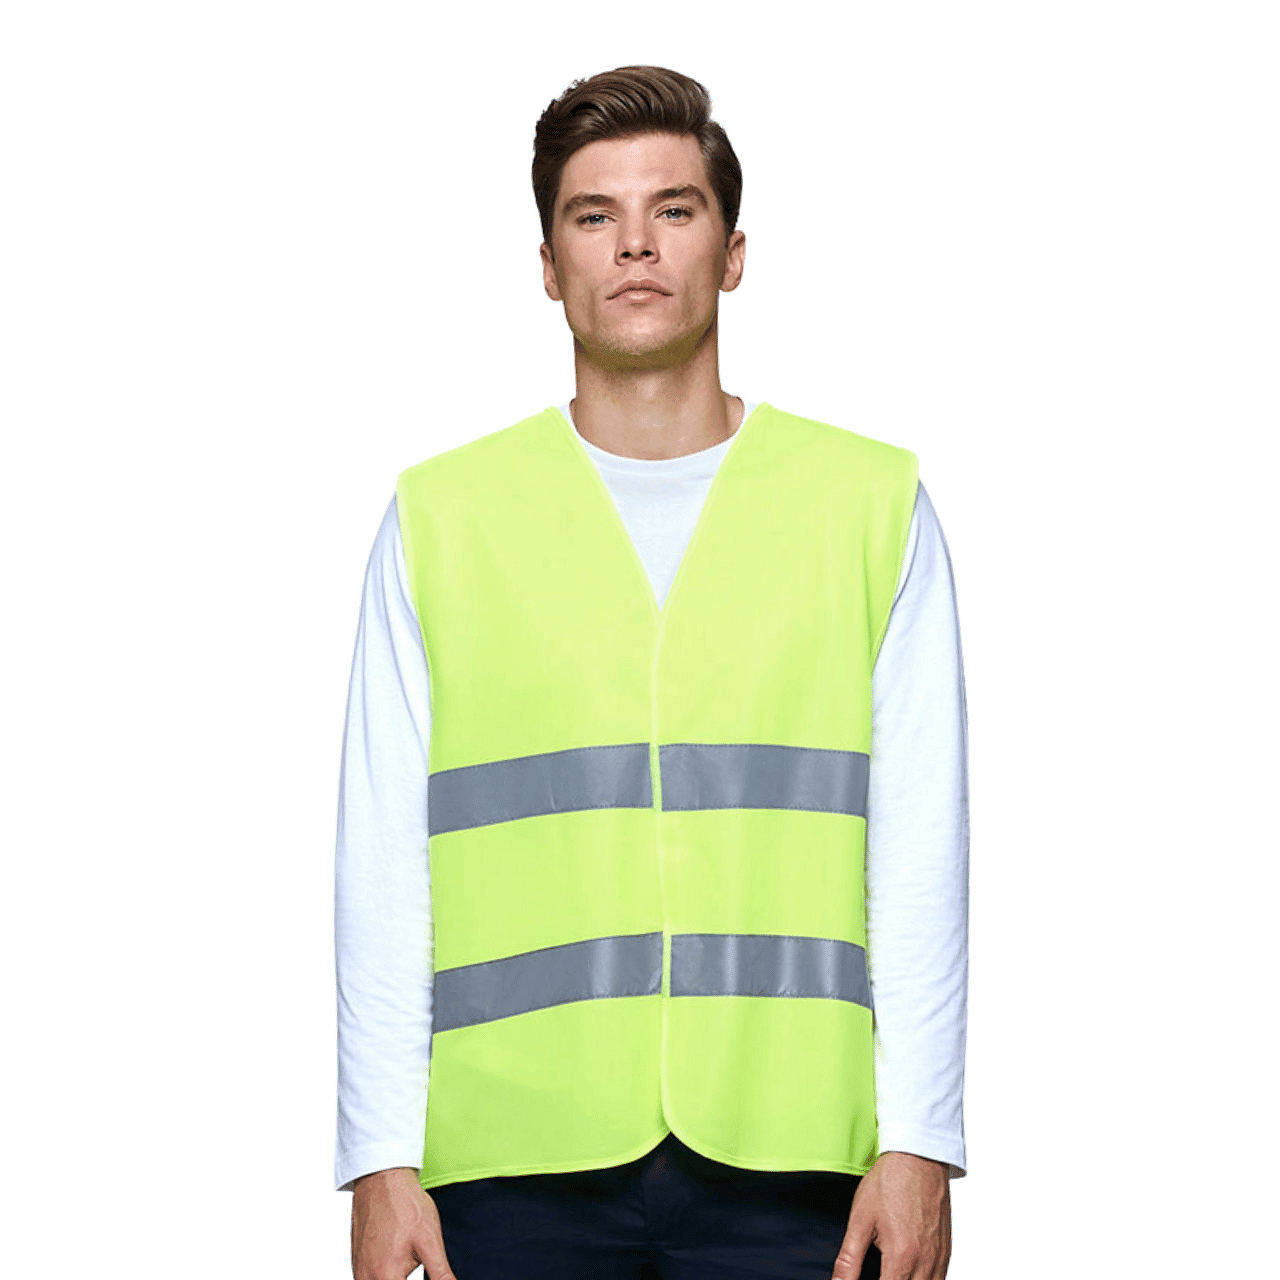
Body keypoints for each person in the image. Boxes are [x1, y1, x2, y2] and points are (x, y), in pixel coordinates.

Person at [335, 65, 969, 1280]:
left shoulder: (869, 504)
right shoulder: (441, 516)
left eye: (673, 209)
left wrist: (921, 1139)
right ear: (547, 263)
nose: (634, 243)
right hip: (506, 1161)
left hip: (800, 1162)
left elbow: (919, 845)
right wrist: (377, 1152)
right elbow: (380, 859)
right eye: (594, 215)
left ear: (732, 253)